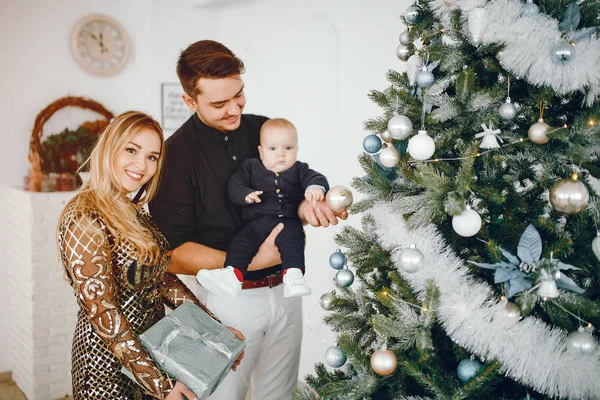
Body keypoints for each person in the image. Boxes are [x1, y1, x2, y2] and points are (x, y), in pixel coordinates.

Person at [149, 40, 347, 400]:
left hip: (286, 292)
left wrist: (310, 208)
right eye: (218, 103)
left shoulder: (263, 129)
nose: (233, 109)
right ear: (190, 102)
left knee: (279, 394)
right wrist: (251, 262)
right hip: (227, 302)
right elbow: (172, 254)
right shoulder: (173, 156)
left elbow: (291, 193)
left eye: (238, 95)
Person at [57, 111, 244, 400]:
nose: (141, 165)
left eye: (152, 157)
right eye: (131, 150)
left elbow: (163, 280)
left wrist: (215, 333)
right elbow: (103, 311)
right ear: (110, 148)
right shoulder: (85, 215)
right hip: (105, 367)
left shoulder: (133, 212)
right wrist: (160, 383)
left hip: (151, 353)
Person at [196, 117, 329, 299]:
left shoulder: (299, 169)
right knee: (241, 243)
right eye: (273, 149)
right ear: (261, 151)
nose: (281, 154)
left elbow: (316, 178)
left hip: (288, 221)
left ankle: (294, 275)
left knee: (293, 242)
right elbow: (234, 185)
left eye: (288, 148)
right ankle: (233, 275)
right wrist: (245, 194)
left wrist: (315, 188)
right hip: (256, 222)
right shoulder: (250, 167)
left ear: (297, 149)